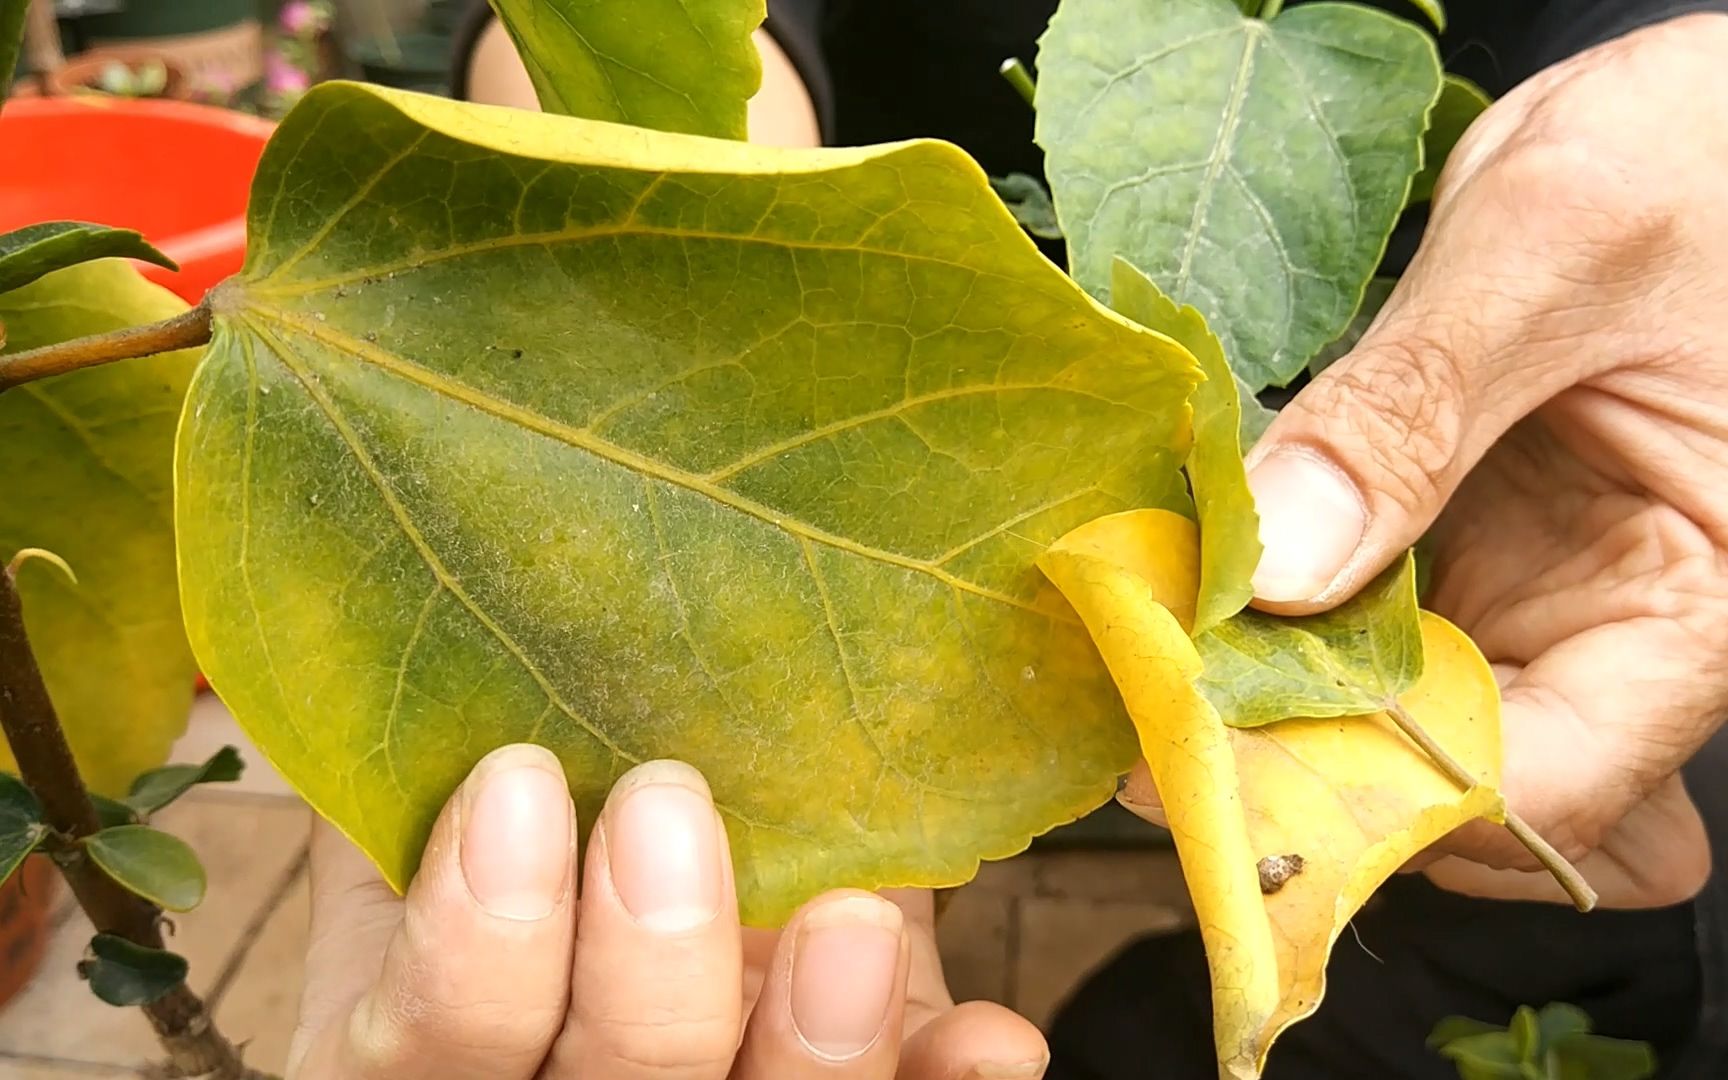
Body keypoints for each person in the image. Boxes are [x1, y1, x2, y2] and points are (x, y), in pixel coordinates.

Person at [287, 2, 1728, 1076]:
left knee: (1531, 945)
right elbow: (654, 43)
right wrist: (651, 302)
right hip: (940, 420)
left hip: (1568, 501)